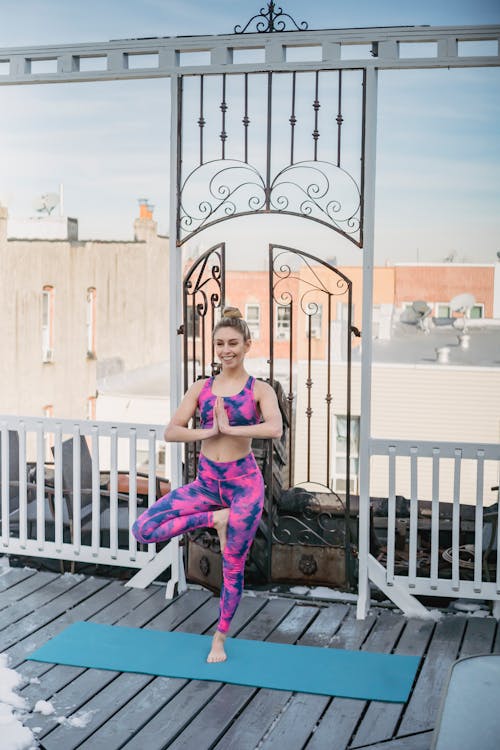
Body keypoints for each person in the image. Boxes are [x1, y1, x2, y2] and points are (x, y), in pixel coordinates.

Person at [131, 307, 283, 663]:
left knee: (232, 565)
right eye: (219, 343)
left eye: (233, 343)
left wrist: (232, 429)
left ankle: (219, 638)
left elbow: (274, 428)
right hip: (205, 485)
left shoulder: (259, 389)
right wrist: (208, 431)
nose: (225, 349)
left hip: (244, 488)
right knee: (144, 529)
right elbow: (172, 431)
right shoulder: (201, 388)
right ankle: (214, 520)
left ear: (247, 345)